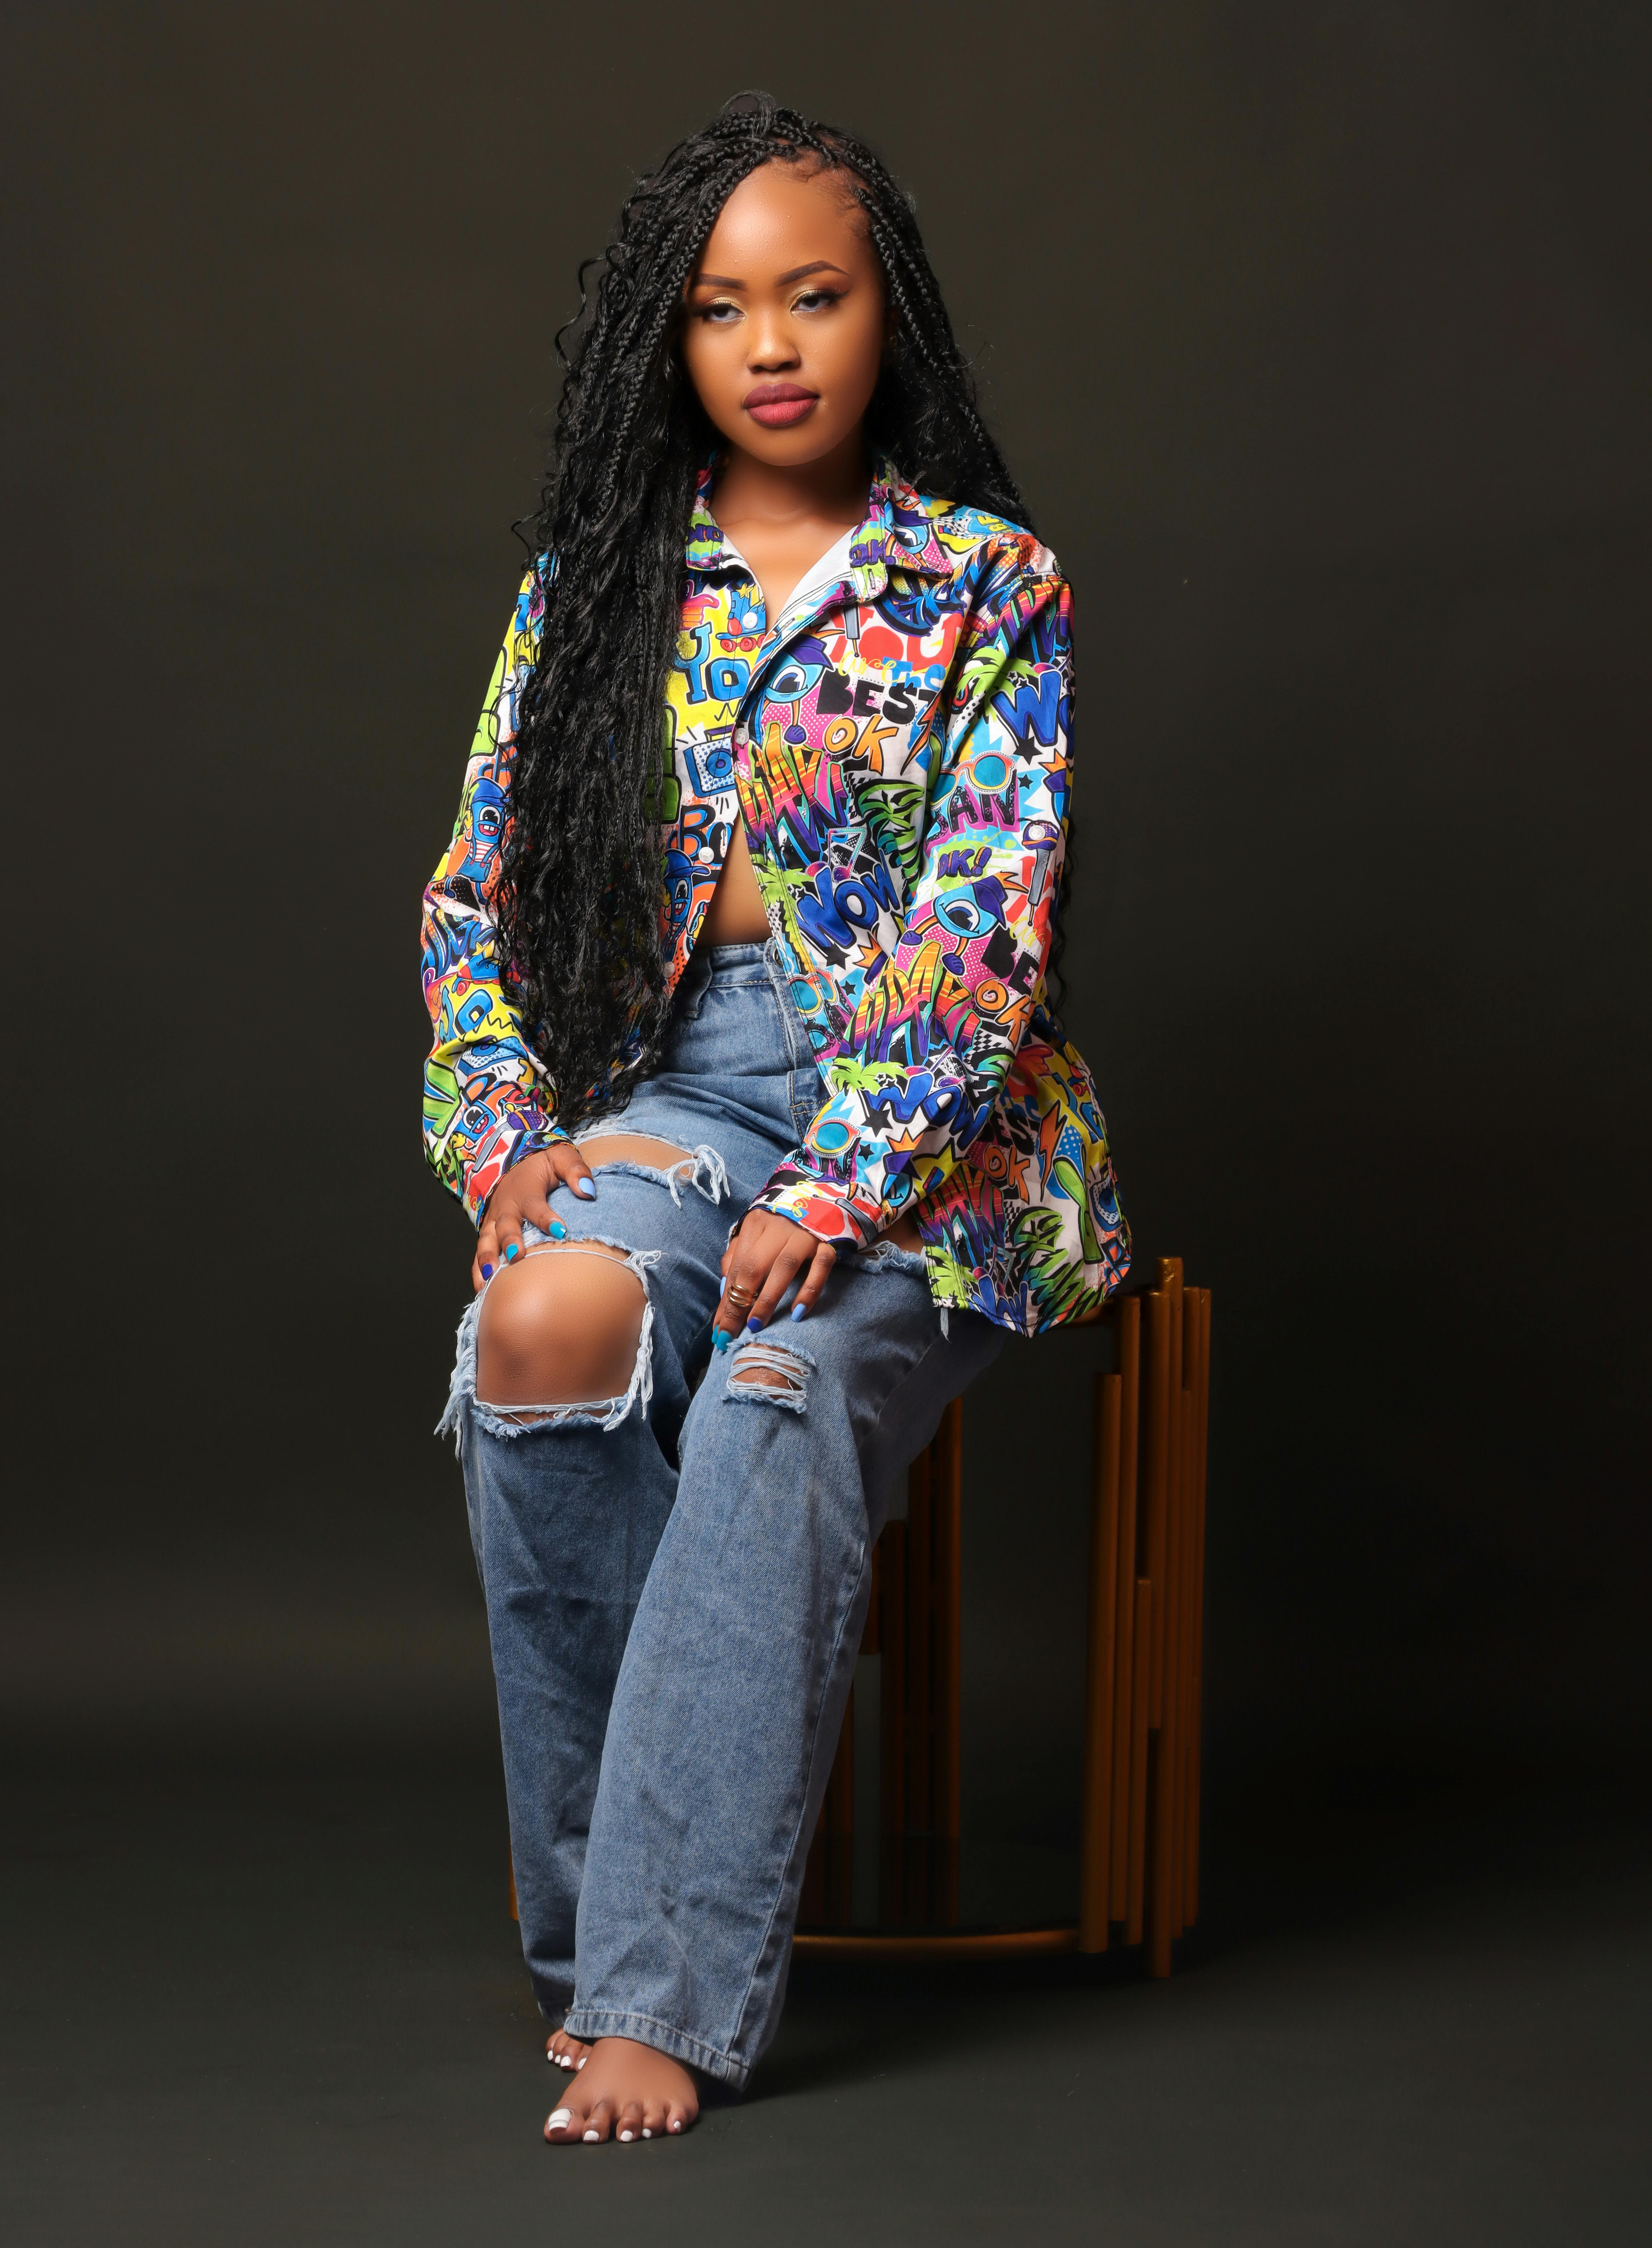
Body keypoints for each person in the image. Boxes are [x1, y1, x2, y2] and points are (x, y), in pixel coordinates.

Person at [419, 94, 1130, 2146]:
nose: (772, 346)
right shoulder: (598, 587)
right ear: (672, 335)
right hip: (677, 1094)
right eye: (722, 309)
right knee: (543, 1328)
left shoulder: (984, 583)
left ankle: (657, 1988)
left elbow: (983, 935)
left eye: (813, 296)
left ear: (886, 310)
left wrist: (844, 1185)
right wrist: (505, 1131)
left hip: (940, 1124)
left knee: (772, 1386)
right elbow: (476, 896)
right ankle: (602, 1937)